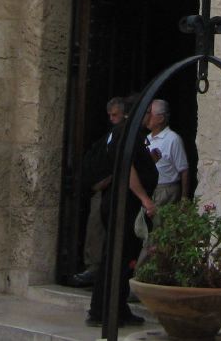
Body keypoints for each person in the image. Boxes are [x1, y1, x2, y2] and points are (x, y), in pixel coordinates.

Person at [86, 96, 157, 330]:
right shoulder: (127, 133)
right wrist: (145, 199)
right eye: (148, 111)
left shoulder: (126, 132)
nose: (150, 116)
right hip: (123, 205)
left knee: (123, 258)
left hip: (121, 203)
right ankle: (103, 310)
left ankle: (117, 308)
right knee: (117, 257)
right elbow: (128, 169)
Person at [72, 96, 125, 287]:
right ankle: (93, 267)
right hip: (99, 191)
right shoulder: (110, 134)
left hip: (114, 190)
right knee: (95, 227)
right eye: (110, 115)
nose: (112, 119)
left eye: (115, 115)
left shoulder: (124, 134)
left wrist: (107, 180)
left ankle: (103, 270)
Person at [144, 100, 189, 208]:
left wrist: (184, 198)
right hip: (149, 190)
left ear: (161, 118)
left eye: (150, 114)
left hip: (166, 191)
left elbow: (184, 170)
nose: (147, 117)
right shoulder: (146, 139)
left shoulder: (173, 139)